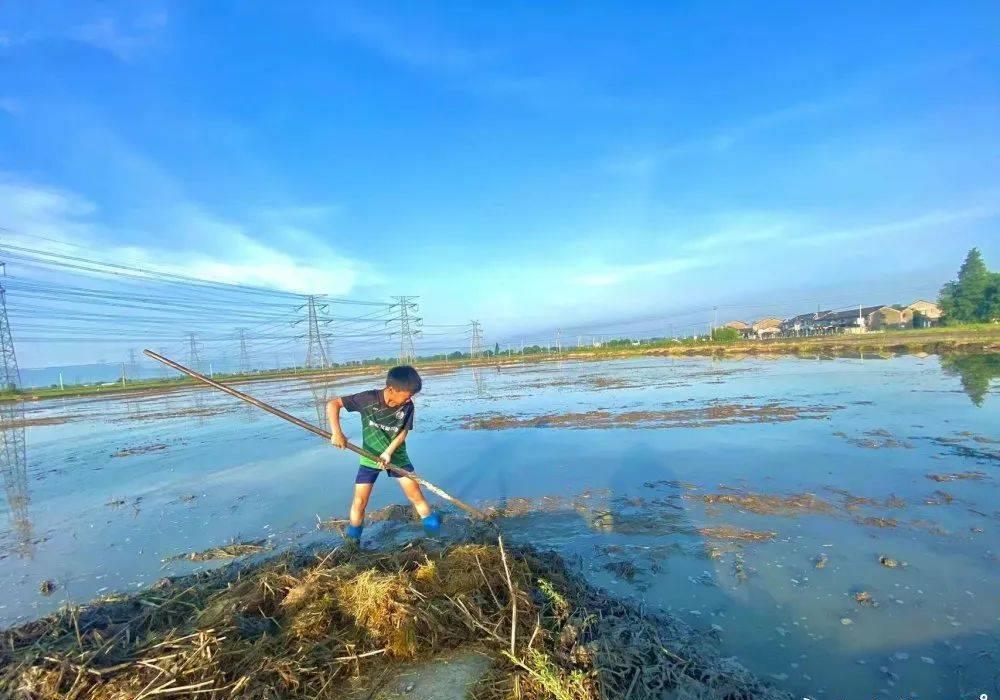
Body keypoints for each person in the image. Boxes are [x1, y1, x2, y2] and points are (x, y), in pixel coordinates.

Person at [326, 365, 441, 546]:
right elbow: (333, 404)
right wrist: (337, 433)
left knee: (416, 496)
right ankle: (353, 541)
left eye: (411, 396)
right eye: (407, 395)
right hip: (369, 456)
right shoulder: (368, 399)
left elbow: (403, 433)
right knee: (360, 501)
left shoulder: (408, 406)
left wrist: (388, 452)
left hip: (397, 456)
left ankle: (435, 534)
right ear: (391, 389)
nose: (409, 399)